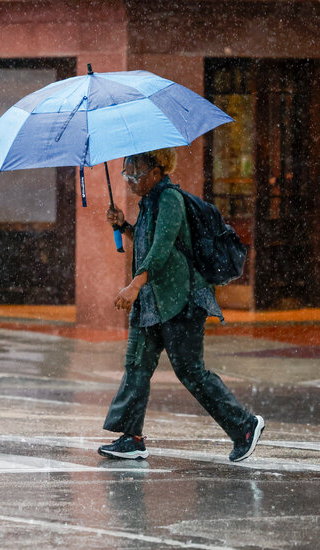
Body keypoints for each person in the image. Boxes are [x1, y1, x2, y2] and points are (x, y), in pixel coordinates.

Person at [99, 148, 264, 462]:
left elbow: (161, 251)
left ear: (157, 172)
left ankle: (244, 425)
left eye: (135, 173)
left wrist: (135, 284)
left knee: (191, 372)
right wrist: (124, 227)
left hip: (181, 301)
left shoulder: (170, 200)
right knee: (137, 366)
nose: (130, 179)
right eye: (126, 173)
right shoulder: (147, 202)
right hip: (153, 303)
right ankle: (131, 437)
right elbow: (149, 243)